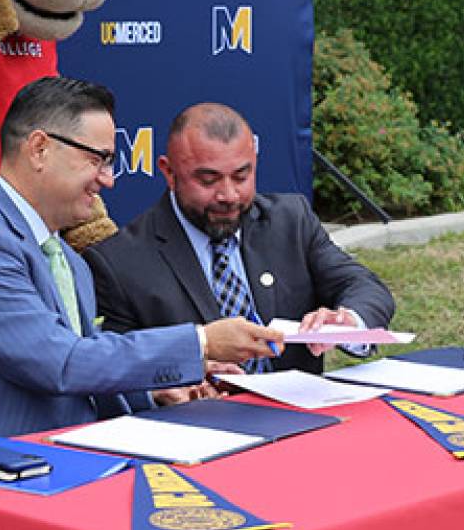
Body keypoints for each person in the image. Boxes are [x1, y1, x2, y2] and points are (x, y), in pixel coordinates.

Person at [0, 78, 283, 457]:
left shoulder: (69, 260)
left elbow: (83, 369)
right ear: (39, 149)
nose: (108, 180)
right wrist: (201, 343)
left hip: (52, 467)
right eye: (96, 160)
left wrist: (154, 392)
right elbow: (61, 364)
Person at [85, 102, 395, 374]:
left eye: (241, 176)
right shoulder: (121, 261)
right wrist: (183, 373)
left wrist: (347, 321)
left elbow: (364, 287)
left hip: (302, 421)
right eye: (208, 180)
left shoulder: (290, 220)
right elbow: (117, 367)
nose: (229, 195)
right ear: (169, 172)